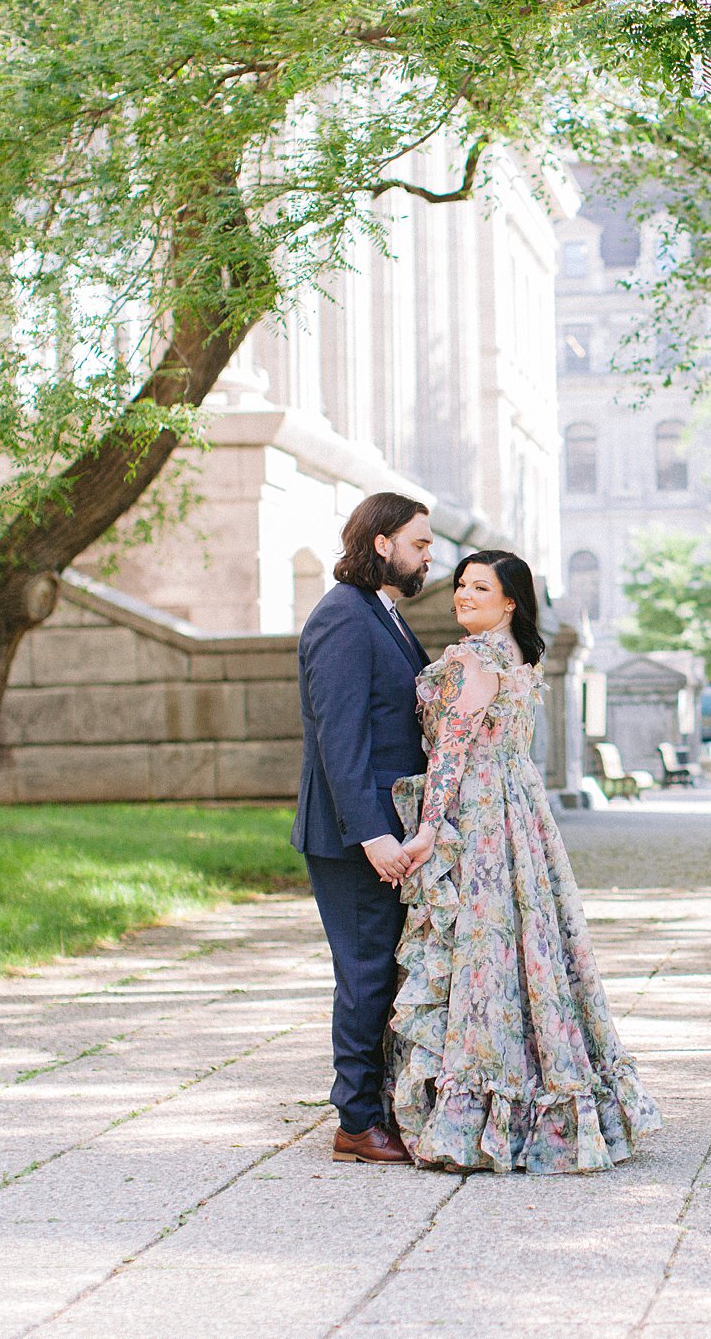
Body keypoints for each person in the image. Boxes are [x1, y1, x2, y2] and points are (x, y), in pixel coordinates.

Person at [391, 550, 661, 1173]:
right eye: (459, 585)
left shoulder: (475, 657)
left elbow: (453, 749)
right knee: (531, 945)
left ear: (510, 600)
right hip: (522, 810)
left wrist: (429, 829)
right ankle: (553, 1094)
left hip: (482, 815)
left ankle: (479, 1113)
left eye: (479, 587)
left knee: (485, 949)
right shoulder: (520, 657)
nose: (462, 596)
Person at [291, 493, 436, 1166]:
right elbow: (338, 738)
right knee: (366, 972)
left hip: (389, 829)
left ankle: (378, 1106)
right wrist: (372, 835)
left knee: (384, 971)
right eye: (419, 543)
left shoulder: (383, 614)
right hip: (355, 837)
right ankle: (355, 1120)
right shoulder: (343, 618)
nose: (427, 556)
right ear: (382, 544)